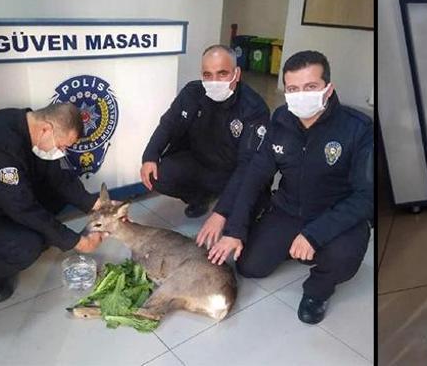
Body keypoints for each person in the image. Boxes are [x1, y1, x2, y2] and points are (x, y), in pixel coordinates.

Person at [196, 50, 373, 324]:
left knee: (342, 258)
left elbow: (366, 197)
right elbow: (254, 176)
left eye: (310, 87)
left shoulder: (357, 128)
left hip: (335, 214)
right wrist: (234, 229)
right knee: (248, 266)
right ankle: (293, 246)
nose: (301, 95)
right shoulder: (281, 121)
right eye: (293, 89)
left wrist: (314, 235)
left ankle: (317, 291)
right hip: (289, 209)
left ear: (328, 89)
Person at [0, 103, 106, 303]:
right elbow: (23, 208)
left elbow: (58, 178)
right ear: (46, 129)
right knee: (28, 245)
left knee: (55, 199)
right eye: (61, 146)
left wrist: (96, 204)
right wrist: (76, 241)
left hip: (3, 199)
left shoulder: (29, 125)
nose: (61, 151)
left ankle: (38, 235)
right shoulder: (1, 145)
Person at [140, 45, 270, 218]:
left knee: (248, 204)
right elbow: (168, 124)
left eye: (222, 73)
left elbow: (248, 165)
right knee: (158, 175)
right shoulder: (192, 92)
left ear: (236, 74)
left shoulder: (253, 108)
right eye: (207, 75)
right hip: (199, 162)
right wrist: (149, 156)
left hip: (232, 171)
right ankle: (199, 198)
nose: (214, 81)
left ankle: (236, 207)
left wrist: (220, 213)